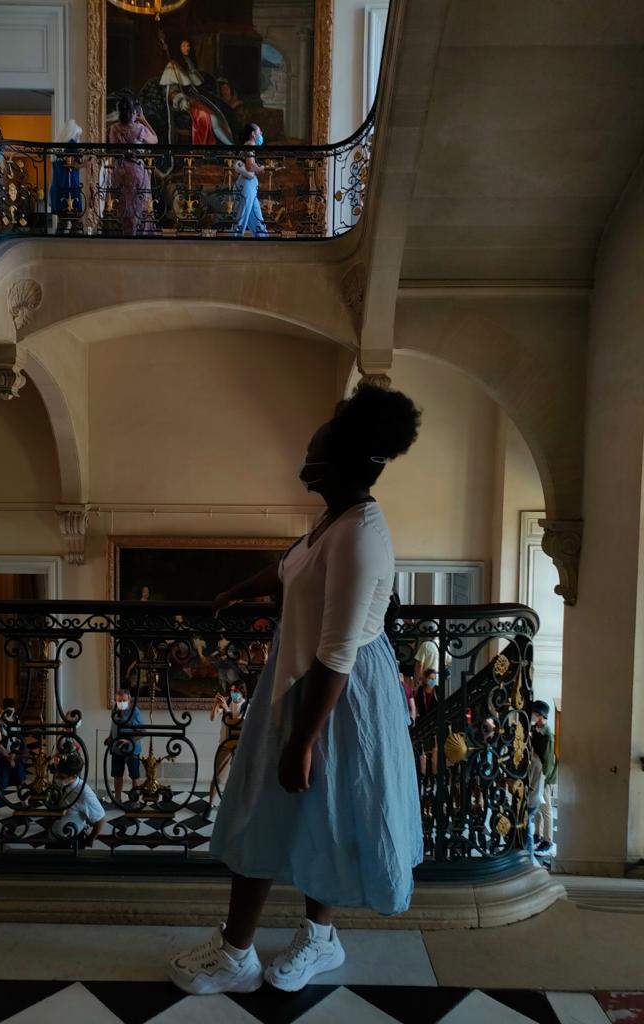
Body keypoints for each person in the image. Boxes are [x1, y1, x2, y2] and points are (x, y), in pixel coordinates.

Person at [168, 382, 423, 996]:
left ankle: (305, 941)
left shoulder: (361, 535)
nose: (308, 451)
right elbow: (290, 567)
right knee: (274, 809)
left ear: (340, 463)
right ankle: (245, 948)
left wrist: (303, 740)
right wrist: (239, 592)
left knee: (320, 813)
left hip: (335, 695)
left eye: (319, 444)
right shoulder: (335, 518)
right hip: (306, 684)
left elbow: (337, 650)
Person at [159, 38, 233, 145]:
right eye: (184, 46)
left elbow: (194, 85)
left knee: (219, 114)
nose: (187, 48)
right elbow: (171, 92)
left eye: (188, 46)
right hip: (185, 102)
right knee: (210, 117)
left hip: (195, 98)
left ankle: (230, 146)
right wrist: (180, 100)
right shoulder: (173, 66)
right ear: (178, 48)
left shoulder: (188, 62)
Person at [107, 96, 157, 236]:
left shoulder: (113, 129)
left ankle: (122, 234)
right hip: (136, 170)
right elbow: (155, 139)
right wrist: (143, 119)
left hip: (119, 170)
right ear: (134, 112)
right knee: (139, 204)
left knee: (121, 202)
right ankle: (140, 233)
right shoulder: (140, 129)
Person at [207, 682, 249, 816]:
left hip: (240, 746)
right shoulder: (228, 703)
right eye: (231, 691)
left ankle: (238, 805)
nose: (233, 694)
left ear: (242, 692)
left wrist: (226, 709)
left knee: (239, 776)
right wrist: (215, 704)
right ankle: (210, 804)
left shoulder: (246, 706)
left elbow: (237, 722)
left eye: (236, 691)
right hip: (225, 745)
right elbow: (213, 718)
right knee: (217, 777)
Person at [49, 753, 106, 846]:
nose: (57, 779)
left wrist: (90, 839)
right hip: (56, 836)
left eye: (62, 777)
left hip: (68, 840)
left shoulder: (84, 793)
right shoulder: (66, 784)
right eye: (57, 774)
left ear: (74, 776)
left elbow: (101, 819)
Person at [105, 688, 144, 803]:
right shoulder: (115, 709)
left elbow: (142, 732)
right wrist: (110, 737)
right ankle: (117, 799)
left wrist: (129, 740)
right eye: (119, 700)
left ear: (129, 700)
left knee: (134, 776)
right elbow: (113, 725)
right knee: (117, 775)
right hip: (117, 748)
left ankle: (134, 801)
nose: (121, 703)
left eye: (124, 700)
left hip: (132, 749)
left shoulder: (135, 711)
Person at [531, 699, 557, 854]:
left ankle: (548, 840)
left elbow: (549, 761)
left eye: (535, 713)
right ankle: (537, 834)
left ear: (540, 715)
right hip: (536, 773)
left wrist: (544, 780)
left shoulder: (548, 735)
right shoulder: (535, 730)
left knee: (546, 808)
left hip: (545, 776)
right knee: (537, 805)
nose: (533, 715)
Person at [233, 123, 269, 238]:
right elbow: (250, 166)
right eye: (259, 131)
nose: (261, 134)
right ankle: (233, 242)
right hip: (246, 185)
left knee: (256, 216)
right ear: (253, 134)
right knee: (242, 216)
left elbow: (249, 164)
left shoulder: (249, 146)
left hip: (249, 184)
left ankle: (264, 241)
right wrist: (261, 168)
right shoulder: (250, 145)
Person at [49, 119, 84, 234]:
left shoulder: (58, 145)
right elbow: (73, 164)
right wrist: (87, 164)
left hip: (58, 185)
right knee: (75, 221)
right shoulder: (72, 144)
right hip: (70, 185)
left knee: (62, 221)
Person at [415, 668, 439, 775]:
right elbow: (417, 706)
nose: (432, 681)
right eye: (430, 678)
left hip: (434, 724)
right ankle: (423, 774)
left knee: (435, 750)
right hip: (423, 723)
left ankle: (434, 773)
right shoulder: (420, 691)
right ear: (425, 679)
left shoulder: (437, 690)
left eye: (434, 679)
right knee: (423, 751)